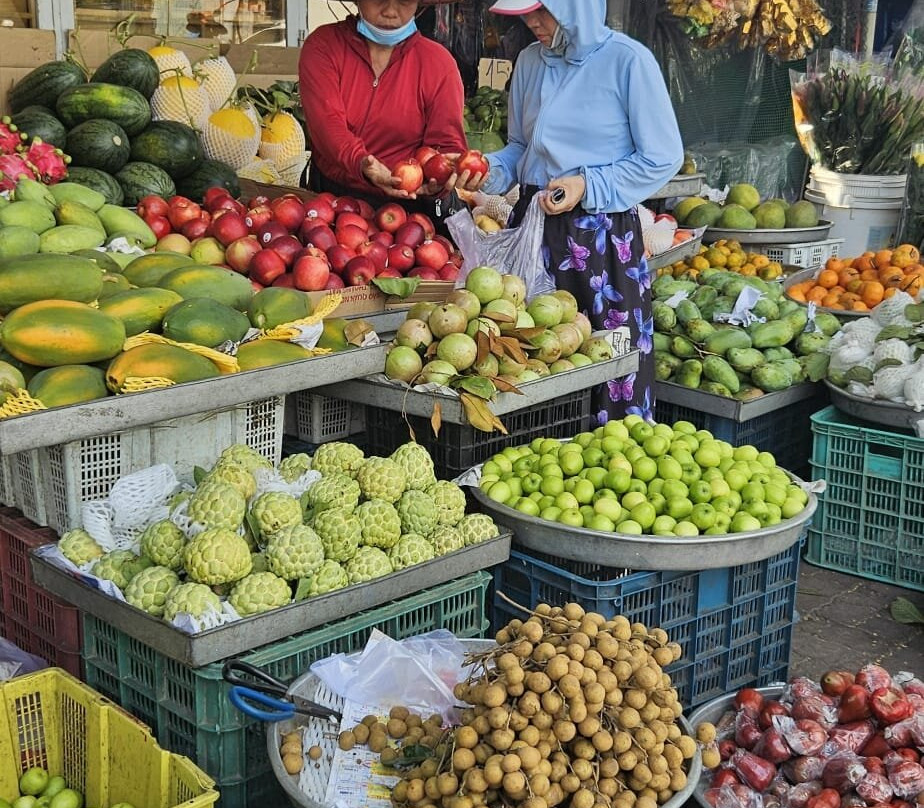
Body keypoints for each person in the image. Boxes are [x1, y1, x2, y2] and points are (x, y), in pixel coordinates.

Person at [479, 0, 684, 423]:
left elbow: (662, 157)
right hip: (533, 231)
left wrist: (588, 185)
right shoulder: (529, 61)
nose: (531, 21)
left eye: (543, 10)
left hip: (601, 240)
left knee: (610, 363)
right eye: (525, 12)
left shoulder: (627, 61)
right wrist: (485, 170)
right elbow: (520, 148)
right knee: (530, 358)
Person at [299, 0, 480, 226]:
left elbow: (445, 145)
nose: (391, 11)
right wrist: (362, 163)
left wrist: (445, 176)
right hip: (333, 201)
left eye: (404, 0)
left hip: (410, 211)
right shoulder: (324, 46)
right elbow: (327, 125)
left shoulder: (439, 64)